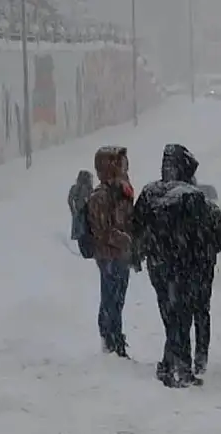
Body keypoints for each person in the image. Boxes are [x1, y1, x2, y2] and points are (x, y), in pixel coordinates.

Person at [132, 144, 221, 388]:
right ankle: (180, 367)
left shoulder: (150, 193)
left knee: (170, 315)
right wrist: (201, 257)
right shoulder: (193, 198)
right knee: (183, 317)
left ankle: (170, 364)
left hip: (158, 265)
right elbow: (211, 236)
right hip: (184, 266)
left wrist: (144, 252)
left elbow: (136, 226)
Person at [87, 146, 136, 358]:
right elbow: (102, 231)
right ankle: (110, 341)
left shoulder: (121, 191)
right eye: (121, 164)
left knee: (117, 300)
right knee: (110, 300)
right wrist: (125, 240)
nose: (125, 168)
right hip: (109, 256)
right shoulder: (101, 195)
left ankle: (115, 339)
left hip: (120, 256)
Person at [68, 170, 94, 240]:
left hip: (85, 212)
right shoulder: (76, 188)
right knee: (78, 231)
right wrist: (73, 210)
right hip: (79, 211)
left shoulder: (89, 189)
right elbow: (70, 199)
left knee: (82, 231)